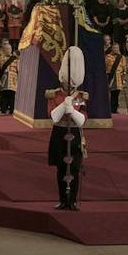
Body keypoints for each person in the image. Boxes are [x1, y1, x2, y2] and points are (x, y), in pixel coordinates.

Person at [46, 46, 88, 210]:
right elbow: (53, 117)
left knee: (74, 168)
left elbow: (83, 119)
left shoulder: (80, 96)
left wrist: (72, 110)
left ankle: (73, 200)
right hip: (59, 132)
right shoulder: (54, 94)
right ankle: (63, 199)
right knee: (61, 168)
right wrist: (64, 106)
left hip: (74, 133)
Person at [0, 40, 18, 115]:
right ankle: (3, 110)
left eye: (9, 49)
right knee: (4, 95)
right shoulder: (0, 59)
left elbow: (19, 69)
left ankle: (12, 110)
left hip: (13, 79)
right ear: (4, 50)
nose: (8, 50)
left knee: (12, 95)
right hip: (4, 79)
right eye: (6, 49)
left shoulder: (16, 59)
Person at [106, 41, 125, 114]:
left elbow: (124, 68)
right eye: (114, 48)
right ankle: (111, 108)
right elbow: (105, 67)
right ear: (112, 48)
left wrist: (123, 78)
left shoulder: (122, 57)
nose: (116, 49)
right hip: (111, 77)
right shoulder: (108, 57)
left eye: (117, 48)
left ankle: (115, 108)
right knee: (112, 93)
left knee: (117, 94)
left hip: (119, 78)